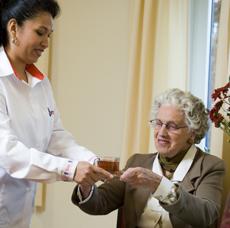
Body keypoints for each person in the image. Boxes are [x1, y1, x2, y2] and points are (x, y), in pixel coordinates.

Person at [0, 1, 112, 227]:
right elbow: (9, 153)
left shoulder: (41, 84)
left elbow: (56, 137)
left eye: (49, 35)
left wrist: (91, 161)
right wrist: (70, 169)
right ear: (13, 28)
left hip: (19, 214)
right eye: (40, 33)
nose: (46, 43)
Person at [72, 88, 225, 228]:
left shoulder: (210, 166)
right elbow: (101, 203)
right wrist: (86, 186)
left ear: (192, 133)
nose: (161, 133)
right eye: (158, 123)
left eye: (171, 126)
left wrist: (159, 185)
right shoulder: (137, 161)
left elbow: (206, 216)